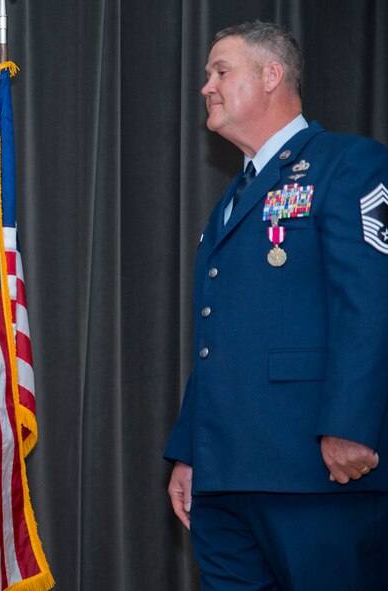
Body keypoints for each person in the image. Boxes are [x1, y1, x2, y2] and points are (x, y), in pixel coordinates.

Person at [164, 21, 388, 590]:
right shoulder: (231, 201)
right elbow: (216, 339)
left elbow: (369, 301)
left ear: (271, 75)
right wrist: (191, 453)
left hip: (313, 472)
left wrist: (349, 425)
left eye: (221, 71)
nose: (206, 86)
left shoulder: (347, 164)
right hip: (226, 477)